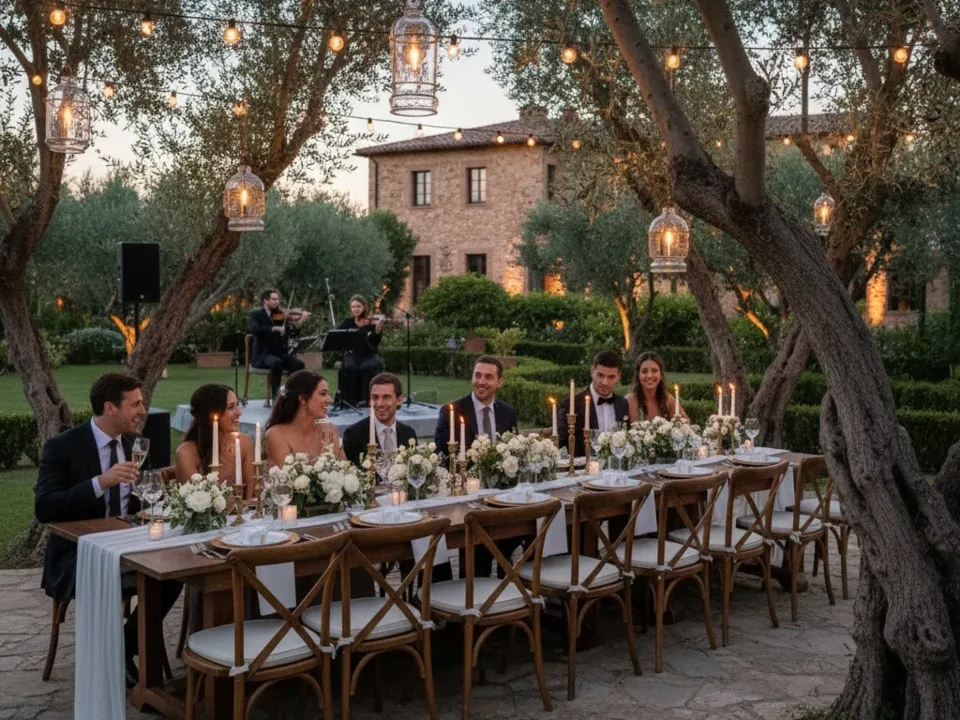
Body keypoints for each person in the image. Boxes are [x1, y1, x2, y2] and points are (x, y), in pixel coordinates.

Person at [34, 373, 182, 688]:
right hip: (79, 552)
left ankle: (123, 650)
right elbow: (44, 507)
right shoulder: (63, 447)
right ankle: (121, 658)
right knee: (109, 574)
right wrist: (100, 482)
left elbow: (148, 497)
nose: (142, 410)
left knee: (174, 572)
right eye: (135, 404)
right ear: (110, 408)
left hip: (131, 542)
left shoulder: (136, 444)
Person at [175, 384, 255, 497]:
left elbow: (252, 492)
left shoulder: (244, 442)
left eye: (237, 405)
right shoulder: (187, 453)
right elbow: (195, 500)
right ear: (212, 414)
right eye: (231, 407)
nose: (239, 412)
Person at [433, 355, 518, 457]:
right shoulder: (451, 412)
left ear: (499, 382)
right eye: (477, 375)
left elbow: (514, 451)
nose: (481, 382)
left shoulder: (507, 413)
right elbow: (441, 456)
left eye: (488, 377)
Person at [558, 350, 630, 457]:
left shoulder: (623, 404)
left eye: (611, 377)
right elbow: (561, 445)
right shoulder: (571, 404)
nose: (605, 382)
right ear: (592, 372)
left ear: (619, 376)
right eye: (600, 375)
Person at [264, 370, 341, 467]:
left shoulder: (330, 430)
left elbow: (344, 469)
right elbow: (287, 475)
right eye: (323, 394)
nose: (330, 400)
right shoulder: (277, 435)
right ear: (303, 399)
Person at [342, 373, 416, 468]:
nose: (380, 404)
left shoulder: (409, 434)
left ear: (399, 400)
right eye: (375, 397)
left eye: (386, 397)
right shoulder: (354, 434)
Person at [249, 288, 308, 401]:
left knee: (298, 364)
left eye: (277, 299)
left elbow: (292, 333)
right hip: (263, 355)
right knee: (277, 363)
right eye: (274, 299)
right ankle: (276, 398)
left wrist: (300, 322)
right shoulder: (256, 314)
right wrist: (274, 328)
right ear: (266, 300)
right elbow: (255, 330)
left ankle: (294, 394)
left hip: (279, 353)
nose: (277, 302)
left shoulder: (280, 315)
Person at [337, 295, 383, 406]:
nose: (356, 309)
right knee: (349, 367)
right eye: (353, 307)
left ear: (364, 307)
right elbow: (338, 336)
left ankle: (367, 400)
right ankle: (349, 401)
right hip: (353, 355)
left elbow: (375, 341)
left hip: (369, 355)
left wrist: (377, 330)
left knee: (369, 367)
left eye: (358, 306)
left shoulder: (370, 322)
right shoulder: (348, 322)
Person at [628, 351, 688, 423]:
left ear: (661, 374)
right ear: (638, 375)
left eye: (654, 370)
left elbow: (686, 422)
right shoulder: (628, 401)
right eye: (644, 371)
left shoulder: (668, 400)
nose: (649, 376)